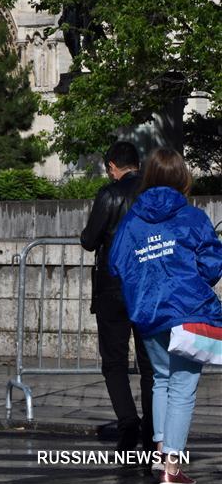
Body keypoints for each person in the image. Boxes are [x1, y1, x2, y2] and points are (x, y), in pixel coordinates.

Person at [110, 148, 222, 484]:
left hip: (148, 312)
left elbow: (116, 263)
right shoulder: (192, 218)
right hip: (186, 310)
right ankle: (172, 467)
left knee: (161, 380)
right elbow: (213, 265)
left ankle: (161, 453)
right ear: (182, 177)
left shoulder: (132, 220)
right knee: (183, 388)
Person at [81, 141, 154, 454]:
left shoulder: (108, 195)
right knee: (150, 365)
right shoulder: (153, 194)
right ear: (138, 164)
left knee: (114, 362)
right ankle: (152, 429)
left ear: (112, 166)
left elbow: (89, 239)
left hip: (113, 287)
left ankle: (127, 423)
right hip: (147, 288)